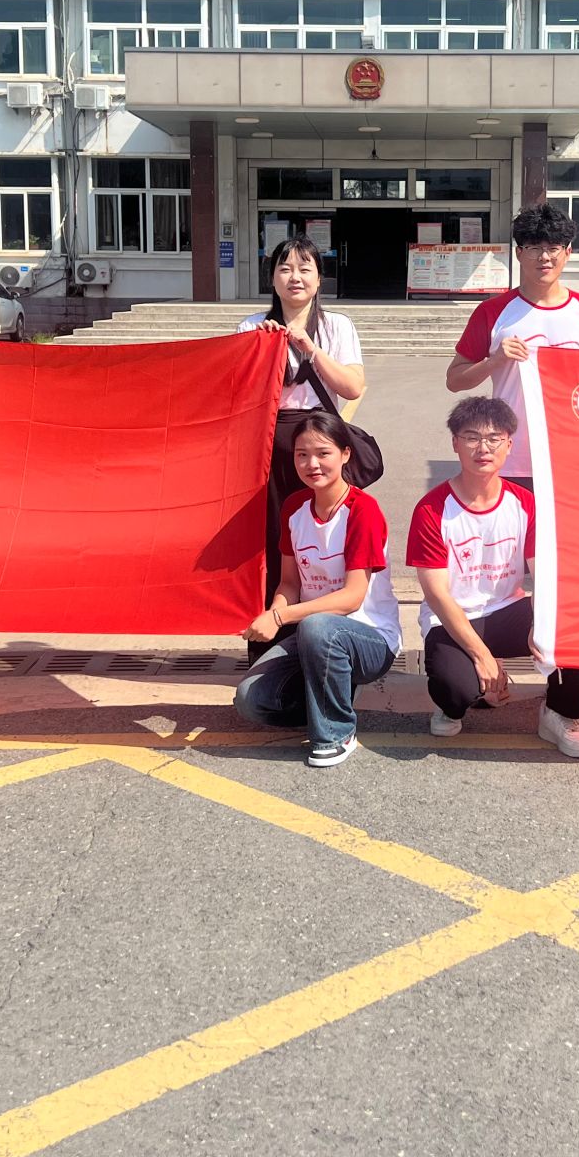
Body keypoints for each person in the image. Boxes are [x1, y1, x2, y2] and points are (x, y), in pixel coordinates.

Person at [408, 397, 579, 758]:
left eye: (494, 438)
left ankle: (559, 714)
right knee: (456, 692)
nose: (483, 448)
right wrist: (482, 657)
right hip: (453, 617)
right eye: (472, 437)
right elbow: (437, 595)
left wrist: (542, 622)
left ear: (509, 444)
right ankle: (458, 700)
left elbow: (545, 576)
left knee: (568, 619)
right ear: (455, 443)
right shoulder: (432, 509)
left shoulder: (526, 503)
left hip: (507, 609)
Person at [235, 410, 400, 768]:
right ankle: (326, 699)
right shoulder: (294, 507)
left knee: (317, 625)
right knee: (251, 700)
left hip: (369, 637)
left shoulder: (363, 510)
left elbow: (352, 597)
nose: (312, 464)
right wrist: (273, 613)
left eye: (323, 453)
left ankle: (337, 733)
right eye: (302, 455)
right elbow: (290, 583)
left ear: (345, 454)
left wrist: (280, 617)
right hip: (314, 636)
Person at [446, 204, 579, 491]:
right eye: (534, 247)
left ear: (568, 252)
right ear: (519, 253)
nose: (544, 257)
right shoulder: (493, 312)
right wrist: (494, 361)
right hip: (512, 456)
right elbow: (454, 381)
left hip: (574, 453)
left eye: (553, 248)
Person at [239, 235, 366, 615]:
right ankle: (270, 629)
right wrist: (260, 352)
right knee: (271, 536)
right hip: (266, 448)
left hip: (320, 443)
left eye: (304, 268)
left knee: (325, 533)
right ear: (272, 278)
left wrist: (311, 348)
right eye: (285, 268)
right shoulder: (250, 327)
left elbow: (352, 386)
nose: (295, 277)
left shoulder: (336, 326)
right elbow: (238, 395)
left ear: (319, 278)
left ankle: (325, 625)